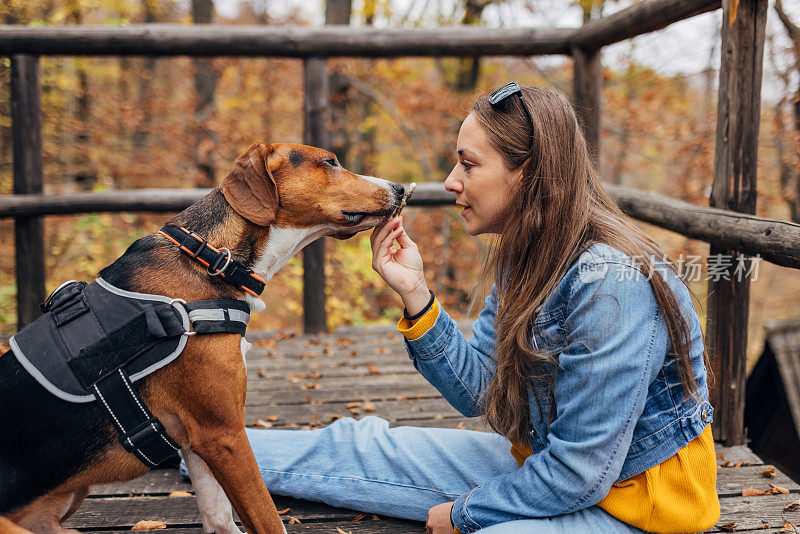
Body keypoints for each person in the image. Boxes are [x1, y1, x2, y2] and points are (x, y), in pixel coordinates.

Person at [203, 83, 721, 533]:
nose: (451, 181)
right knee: (359, 448)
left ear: (530, 173)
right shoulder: (528, 254)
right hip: (546, 468)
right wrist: (416, 295)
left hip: (636, 511)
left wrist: (465, 514)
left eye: (469, 165)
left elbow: (580, 472)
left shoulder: (611, 285)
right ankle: (183, 446)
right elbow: (481, 392)